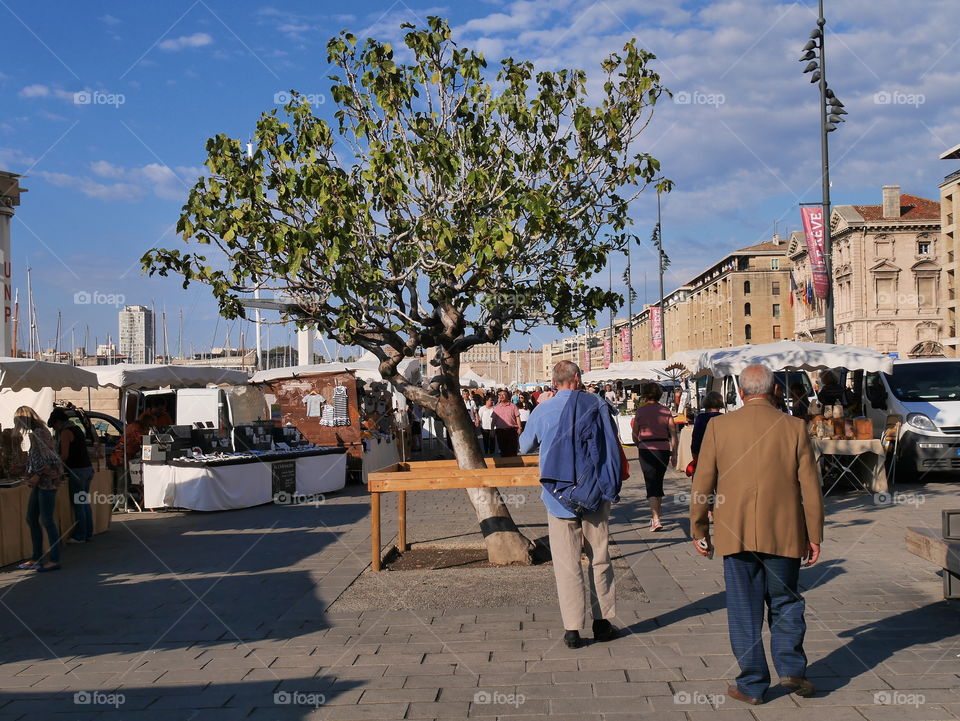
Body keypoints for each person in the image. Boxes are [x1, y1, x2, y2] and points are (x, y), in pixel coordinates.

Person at [690, 363, 824, 706]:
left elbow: (702, 483)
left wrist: (699, 528)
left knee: (743, 609)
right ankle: (792, 667)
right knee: (787, 601)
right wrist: (815, 534)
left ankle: (751, 684)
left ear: (742, 393)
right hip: (785, 531)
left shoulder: (719, 426)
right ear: (775, 390)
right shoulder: (794, 427)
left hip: (736, 534)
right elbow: (810, 485)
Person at [520, 361, 623, 649]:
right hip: (594, 494)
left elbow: (524, 446)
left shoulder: (543, 409)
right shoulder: (597, 405)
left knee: (567, 564)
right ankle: (602, 623)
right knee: (599, 557)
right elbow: (612, 445)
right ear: (577, 378)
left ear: (555, 381)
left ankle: (572, 629)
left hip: (558, 497)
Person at [15, 406, 65, 571]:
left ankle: (54, 559)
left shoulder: (39, 433)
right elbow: (39, 457)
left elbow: (49, 458)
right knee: (32, 518)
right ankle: (37, 557)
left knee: (47, 520)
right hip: (43, 480)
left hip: (47, 481)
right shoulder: (37, 432)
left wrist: (36, 474)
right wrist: (28, 470)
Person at [631, 382, 678, 531]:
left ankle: (656, 518)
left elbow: (634, 433)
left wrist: (638, 443)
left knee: (650, 483)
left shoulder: (641, 411)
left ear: (645, 395)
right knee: (658, 482)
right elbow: (673, 434)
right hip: (663, 448)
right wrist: (674, 452)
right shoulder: (665, 410)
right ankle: (656, 517)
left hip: (646, 448)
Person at [48, 408, 95, 544]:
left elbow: (65, 455)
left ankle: (80, 535)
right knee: (84, 502)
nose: (55, 429)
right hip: (86, 469)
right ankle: (88, 533)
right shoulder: (77, 428)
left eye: (55, 426)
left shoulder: (65, 432)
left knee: (79, 504)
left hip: (77, 471)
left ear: (58, 422)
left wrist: (55, 465)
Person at [690, 391, 723, 459]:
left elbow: (696, 436)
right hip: (721, 452)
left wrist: (694, 451)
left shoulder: (701, 418)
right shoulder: (725, 418)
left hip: (704, 452)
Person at [492, 389, 521, 457]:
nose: (501, 396)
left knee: (513, 449)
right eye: (500, 395)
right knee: (503, 450)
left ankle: (513, 465)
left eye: (503, 395)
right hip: (500, 431)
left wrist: (519, 427)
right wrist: (492, 430)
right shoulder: (497, 407)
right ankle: (505, 466)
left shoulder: (513, 406)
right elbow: (493, 419)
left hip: (512, 431)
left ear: (508, 396)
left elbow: (517, 417)